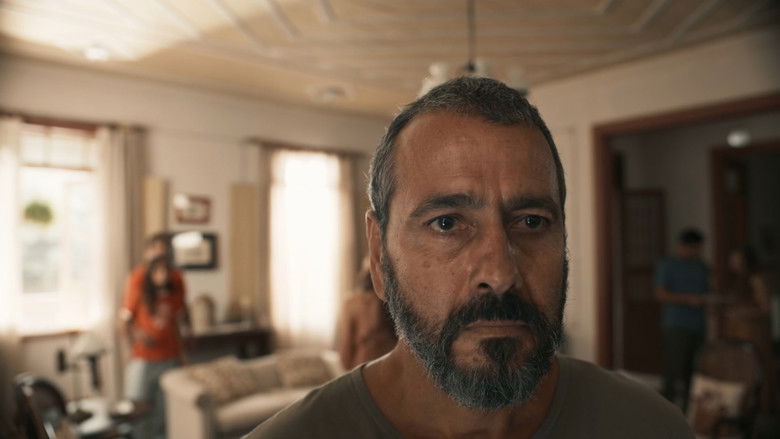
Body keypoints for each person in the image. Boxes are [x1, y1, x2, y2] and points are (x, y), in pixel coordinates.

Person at [246, 77, 692, 438]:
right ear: (380, 256)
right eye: (446, 223)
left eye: (531, 221)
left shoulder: (651, 426)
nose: (500, 274)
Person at [118, 233, 189, 439]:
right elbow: (124, 319)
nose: (161, 255)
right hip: (143, 358)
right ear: (148, 253)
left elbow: (179, 317)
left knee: (165, 413)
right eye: (156, 250)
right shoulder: (137, 278)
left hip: (170, 357)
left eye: (165, 251)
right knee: (138, 409)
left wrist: (182, 352)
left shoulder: (177, 278)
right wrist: (134, 342)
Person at [655, 228, 710, 409]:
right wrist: (687, 299)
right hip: (677, 325)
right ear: (684, 246)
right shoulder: (668, 265)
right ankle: (665, 409)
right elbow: (661, 294)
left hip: (698, 325)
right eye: (694, 248)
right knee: (673, 370)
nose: (697, 252)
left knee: (693, 372)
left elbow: (707, 290)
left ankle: (689, 411)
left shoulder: (701, 266)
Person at [720, 246, 775, 412]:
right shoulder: (739, 279)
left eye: (736, 259)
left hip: (752, 331)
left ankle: (761, 406)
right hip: (739, 329)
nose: (733, 263)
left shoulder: (756, 279)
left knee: (756, 366)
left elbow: (765, 308)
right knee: (740, 366)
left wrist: (743, 313)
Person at [338, 257, 397, 370]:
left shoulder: (352, 304)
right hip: (392, 370)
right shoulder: (398, 303)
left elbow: (345, 357)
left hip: (364, 370)